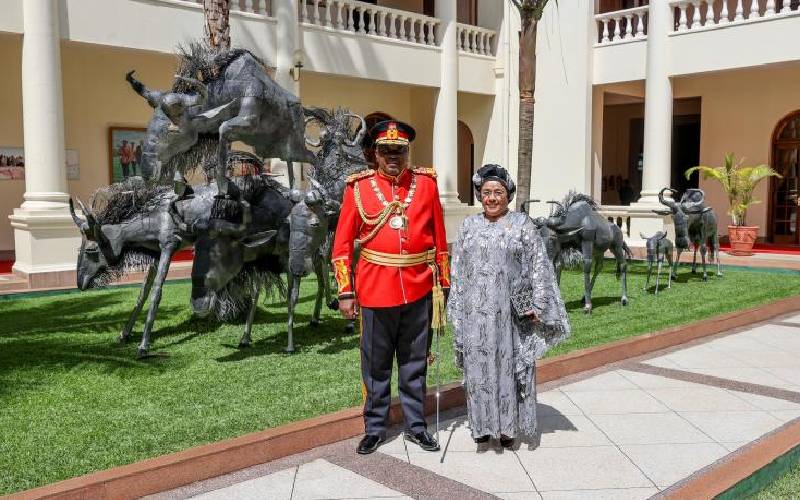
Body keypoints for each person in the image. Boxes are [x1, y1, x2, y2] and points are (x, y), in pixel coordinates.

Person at [332, 120, 450, 455]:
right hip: (375, 290)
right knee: (376, 365)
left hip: (418, 289)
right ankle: (375, 427)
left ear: (406, 151)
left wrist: (444, 284)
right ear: (375, 154)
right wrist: (345, 291)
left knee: (415, 362)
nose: (393, 157)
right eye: (386, 151)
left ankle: (416, 426)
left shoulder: (426, 185)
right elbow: (341, 246)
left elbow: (440, 239)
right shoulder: (358, 188)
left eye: (399, 150)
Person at [447, 164, 571, 448]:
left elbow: (539, 266)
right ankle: (481, 426)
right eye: (487, 192)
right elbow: (459, 269)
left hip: (510, 314)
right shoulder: (469, 225)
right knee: (478, 369)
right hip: (475, 312)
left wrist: (537, 303)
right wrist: (456, 306)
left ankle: (506, 428)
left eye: (498, 193)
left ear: (508, 195)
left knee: (509, 367)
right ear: (480, 195)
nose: (492, 198)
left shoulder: (522, 224)